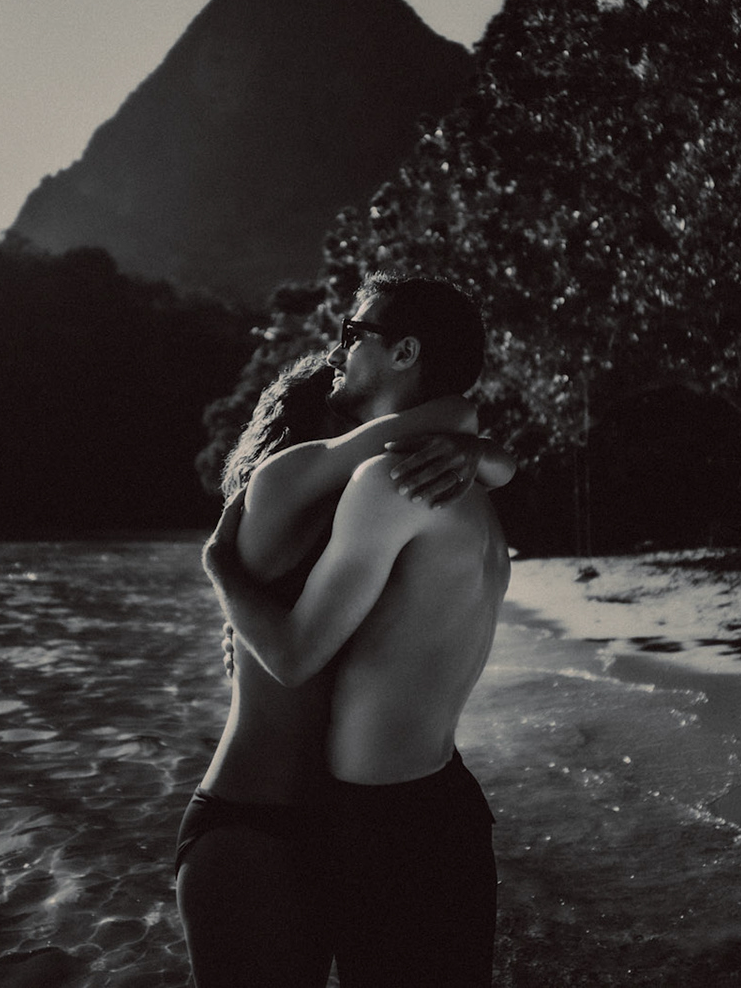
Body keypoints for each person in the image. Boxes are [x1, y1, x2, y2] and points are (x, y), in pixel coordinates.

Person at [204, 273, 510, 987]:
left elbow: (295, 655)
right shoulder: (466, 486)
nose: (337, 347)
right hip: (444, 799)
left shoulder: (390, 482)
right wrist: (488, 451)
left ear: (404, 352)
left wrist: (218, 568)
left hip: (389, 821)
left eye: (352, 332)